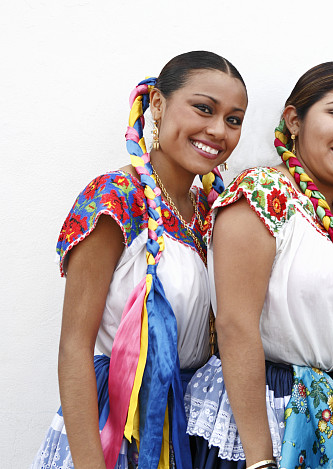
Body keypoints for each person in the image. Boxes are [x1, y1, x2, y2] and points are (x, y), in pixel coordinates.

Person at [184, 61, 333, 469]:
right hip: (270, 414)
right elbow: (235, 325)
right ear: (294, 120)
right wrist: (260, 460)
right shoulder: (261, 192)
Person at [32, 51, 248, 469]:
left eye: (234, 119)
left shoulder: (212, 211)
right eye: (203, 108)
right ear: (158, 106)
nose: (218, 130)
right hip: (118, 428)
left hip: (190, 430)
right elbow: (74, 347)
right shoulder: (115, 198)